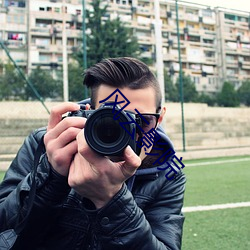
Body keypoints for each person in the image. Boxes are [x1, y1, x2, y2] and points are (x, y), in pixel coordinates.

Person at [0, 57, 186, 250]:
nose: (128, 133)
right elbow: (4, 227)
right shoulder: (47, 144)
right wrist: (51, 176)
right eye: (113, 119)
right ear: (90, 112)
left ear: (159, 118)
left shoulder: (168, 172)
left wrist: (112, 199)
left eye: (143, 121)